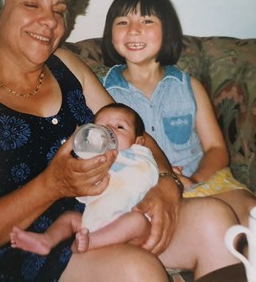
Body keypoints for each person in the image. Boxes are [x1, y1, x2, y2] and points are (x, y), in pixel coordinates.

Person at [0, 0, 239, 282]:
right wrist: (51, 186)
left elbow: (134, 132)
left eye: (58, 10)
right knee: (137, 270)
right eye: (33, 4)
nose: (50, 21)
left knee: (215, 221)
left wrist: (164, 183)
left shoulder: (67, 65)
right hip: (28, 246)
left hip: (104, 218)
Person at [101, 0, 256, 227]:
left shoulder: (189, 87)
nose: (133, 30)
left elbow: (217, 148)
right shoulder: (103, 94)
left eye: (146, 21)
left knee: (252, 210)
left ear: (167, 32)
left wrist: (193, 179)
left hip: (200, 181)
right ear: (110, 32)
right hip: (142, 191)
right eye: (122, 22)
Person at [11, 102, 158, 255]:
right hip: (93, 224)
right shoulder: (90, 160)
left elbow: (154, 174)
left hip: (130, 225)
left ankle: (92, 242)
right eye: (100, 127)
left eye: (119, 127)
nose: (108, 131)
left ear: (138, 142)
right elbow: (80, 189)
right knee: (70, 218)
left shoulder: (138, 156)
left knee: (137, 222)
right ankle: (46, 240)